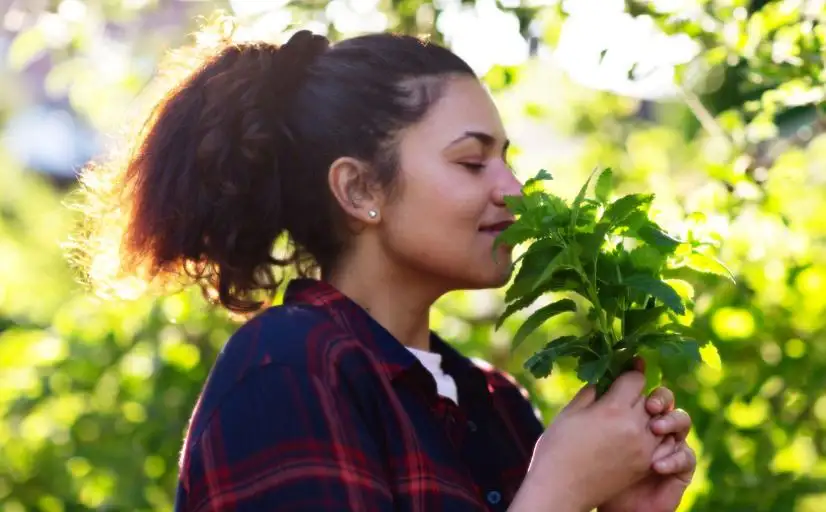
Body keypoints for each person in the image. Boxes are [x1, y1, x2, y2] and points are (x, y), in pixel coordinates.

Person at [75, 21, 696, 512]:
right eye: (471, 162)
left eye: (507, 159)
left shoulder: (494, 403)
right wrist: (556, 493)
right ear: (360, 191)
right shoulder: (286, 371)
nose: (514, 190)